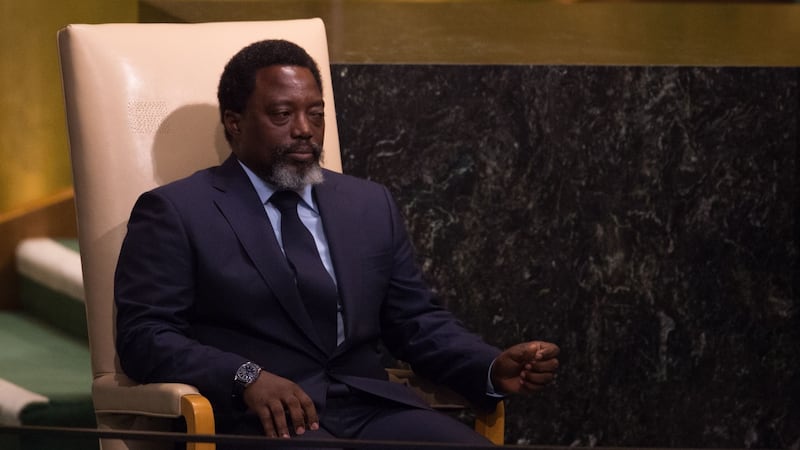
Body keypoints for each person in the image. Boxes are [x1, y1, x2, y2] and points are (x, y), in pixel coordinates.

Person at [114, 39, 559, 449]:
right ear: (234, 123)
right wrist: (244, 377)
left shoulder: (367, 203)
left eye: (316, 112)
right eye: (282, 115)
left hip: (371, 407)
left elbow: (415, 320)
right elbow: (145, 336)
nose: (305, 130)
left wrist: (489, 365)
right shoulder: (177, 211)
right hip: (263, 420)